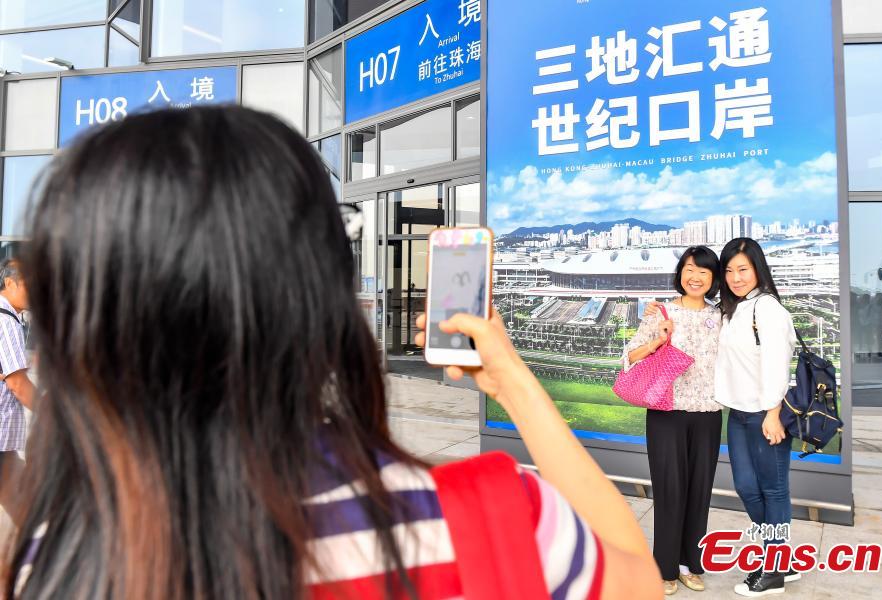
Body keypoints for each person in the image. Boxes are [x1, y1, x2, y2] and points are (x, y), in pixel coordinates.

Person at [4, 106, 661, 599]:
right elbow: (640, 581)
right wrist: (513, 381)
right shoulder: (492, 520)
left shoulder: (56, 549)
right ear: (320, 300)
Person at [624, 246, 722, 596]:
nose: (695, 277)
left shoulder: (721, 316)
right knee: (669, 491)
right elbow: (629, 357)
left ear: (713, 279)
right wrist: (657, 340)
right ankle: (664, 567)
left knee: (699, 491)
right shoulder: (660, 311)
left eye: (704, 272)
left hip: (709, 414)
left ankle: (689, 565)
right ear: (681, 272)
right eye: (690, 269)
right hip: (666, 413)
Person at [715, 238, 798, 597]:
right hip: (738, 413)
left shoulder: (768, 309)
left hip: (765, 415)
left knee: (773, 490)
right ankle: (782, 560)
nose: (735, 277)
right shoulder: (734, 309)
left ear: (758, 270)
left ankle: (775, 570)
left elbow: (778, 364)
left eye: (743, 269)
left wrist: (773, 413)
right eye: (729, 270)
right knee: (748, 489)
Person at [0, 257, 33, 524]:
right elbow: (17, 384)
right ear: (9, 283)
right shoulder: (6, 319)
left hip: (5, 442)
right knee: (26, 505)